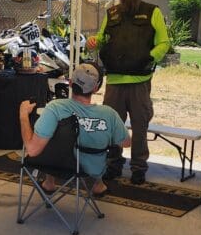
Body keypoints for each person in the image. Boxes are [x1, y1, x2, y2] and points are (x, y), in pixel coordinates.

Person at [86, 0, 169, 184]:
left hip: (139, 81)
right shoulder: (111, 13)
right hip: (114, 82)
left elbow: (164, 42)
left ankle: (139, 168)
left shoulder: (153, 12)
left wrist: (150, 57)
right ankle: (113, 164)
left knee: (140, 126)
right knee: (113, 126)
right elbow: (102, 38)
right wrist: (93, 41)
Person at [19, 63, 130, 196]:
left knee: (55, 137)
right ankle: (98, 185)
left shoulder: (55, 108)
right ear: (95, 88)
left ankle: (49, 182)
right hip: (90, 169)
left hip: (57, 165)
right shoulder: (109, 114)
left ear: (70, 83)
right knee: (91, 141)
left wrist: (23, 115)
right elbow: (126, 143)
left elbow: (32, 150)